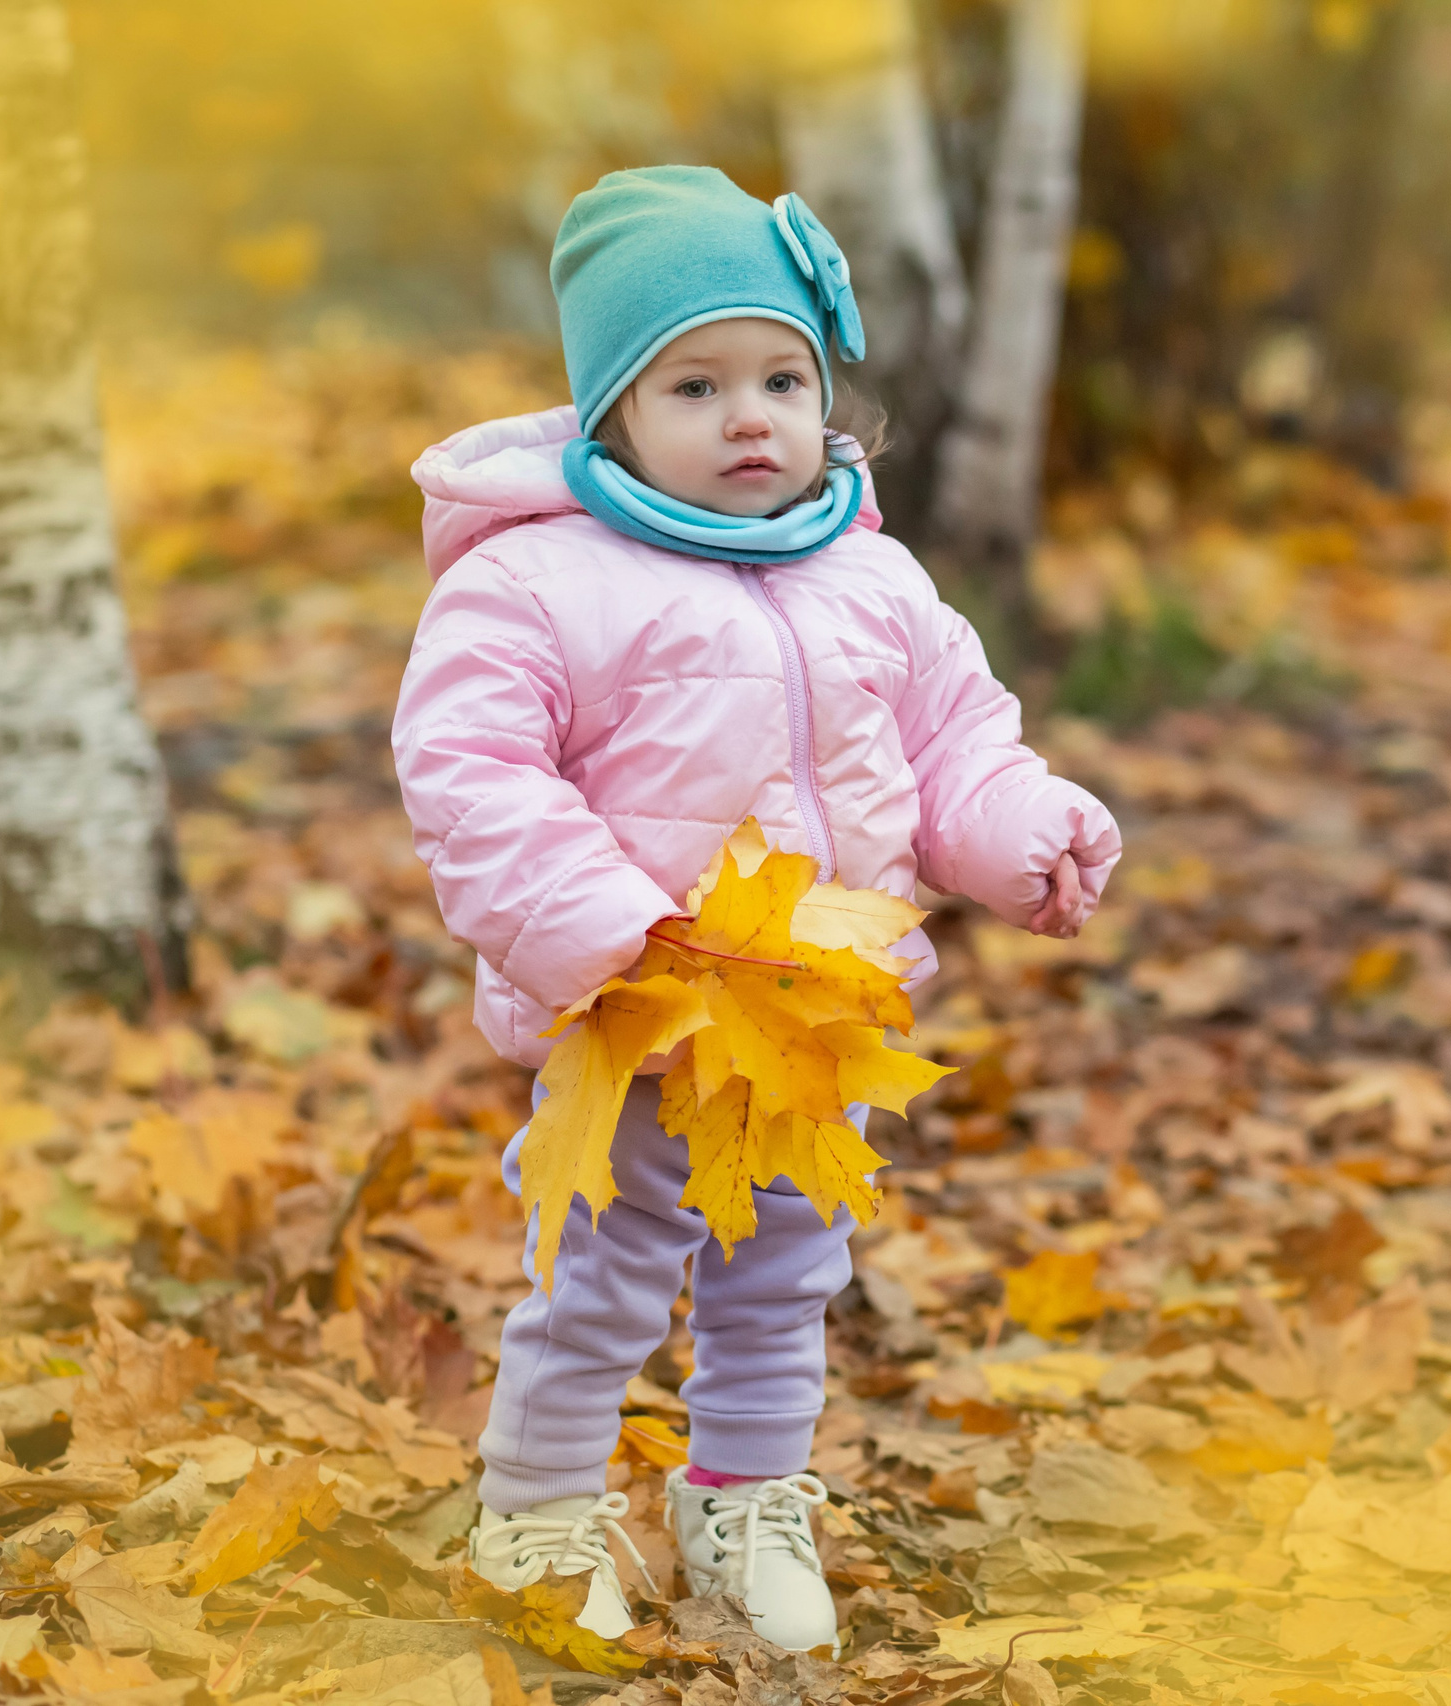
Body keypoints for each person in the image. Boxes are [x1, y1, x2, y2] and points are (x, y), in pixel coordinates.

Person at [392, 165, 1120, 1653]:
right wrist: (616, 933)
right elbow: (468, 769)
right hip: (638, 1010)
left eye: (784, 377)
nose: (752, 417)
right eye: (698, 382)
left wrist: (1022, 831)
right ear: (613, 413)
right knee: (601, 1267)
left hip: (807, 1022)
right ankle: (535, 1507)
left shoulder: (872, 575)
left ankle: (743, 1495)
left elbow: (951, 743)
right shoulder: (535, 580)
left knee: (786, 1270)